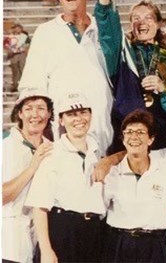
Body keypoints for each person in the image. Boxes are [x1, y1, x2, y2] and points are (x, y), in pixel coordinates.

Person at [19, 0, 120, 152]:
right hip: (61, 131)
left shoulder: (104, 29)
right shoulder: (45, 32)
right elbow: (32, 84)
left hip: (102, 125)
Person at [26, 93, 106, 263]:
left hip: (93, 232)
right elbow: (39, 207)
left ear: (91, 116)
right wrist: (46, 250)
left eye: (83, 112)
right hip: (63, 231)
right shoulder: (51, 153)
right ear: (61, 120)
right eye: (71, 114)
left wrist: (108, 161)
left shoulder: (98, 152)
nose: (79, 119)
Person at [102, 110, 166, 262]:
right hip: (120, 244)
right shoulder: (111, 173)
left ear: (151, 139)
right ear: (123, 139)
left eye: (140, 132)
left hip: (154, 246)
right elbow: (100, 209)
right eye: (129, 132)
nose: (134, 137)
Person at [108, 0, 166, 153]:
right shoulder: (123, 54)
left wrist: (163, 89)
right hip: (129, 133)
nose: (142, 22)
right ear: (131, 24)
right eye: (136, 18)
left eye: (148, 17)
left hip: (162, 134)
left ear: (158, 23)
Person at [2, 89, 54, 263]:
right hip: (10, 247)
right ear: (20, 114)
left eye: (41, 108)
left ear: (49, 114)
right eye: (29, 108)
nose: (35, 114)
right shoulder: (5, 148)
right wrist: (33, 167)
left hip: (43, 245)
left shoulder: (53, 149)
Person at [6, 23, 29, 92]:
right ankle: (15, 85)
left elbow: (27, 45)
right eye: (16, 28)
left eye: (19, 28)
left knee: (22, 69)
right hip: (14, 55)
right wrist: (10, 50)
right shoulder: (10, 37)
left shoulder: (24, 36)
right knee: (15, 70)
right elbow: (6, 45)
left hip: (22, 54)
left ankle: (24, 85)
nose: (17, 29)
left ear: (21, 29)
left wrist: (23, 49)